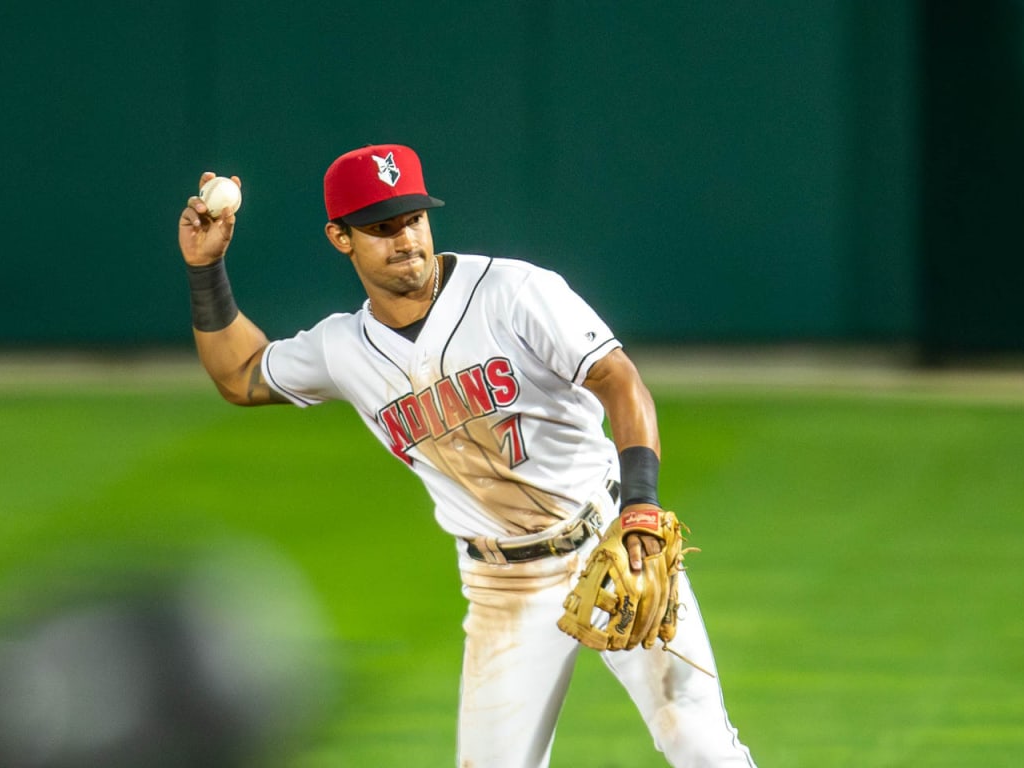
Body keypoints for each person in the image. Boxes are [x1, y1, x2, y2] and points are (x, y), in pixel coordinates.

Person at [176, 144, 755, 768]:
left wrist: (641, 503)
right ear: (339, 237)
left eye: (414, 219)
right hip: (501, 585)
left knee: (698, 742)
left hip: (610, 545)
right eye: (380, 228)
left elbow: (620, 381)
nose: (406, 240)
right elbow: (240, 375)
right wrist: (207, 270)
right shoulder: (343, 347)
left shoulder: (514, 291)